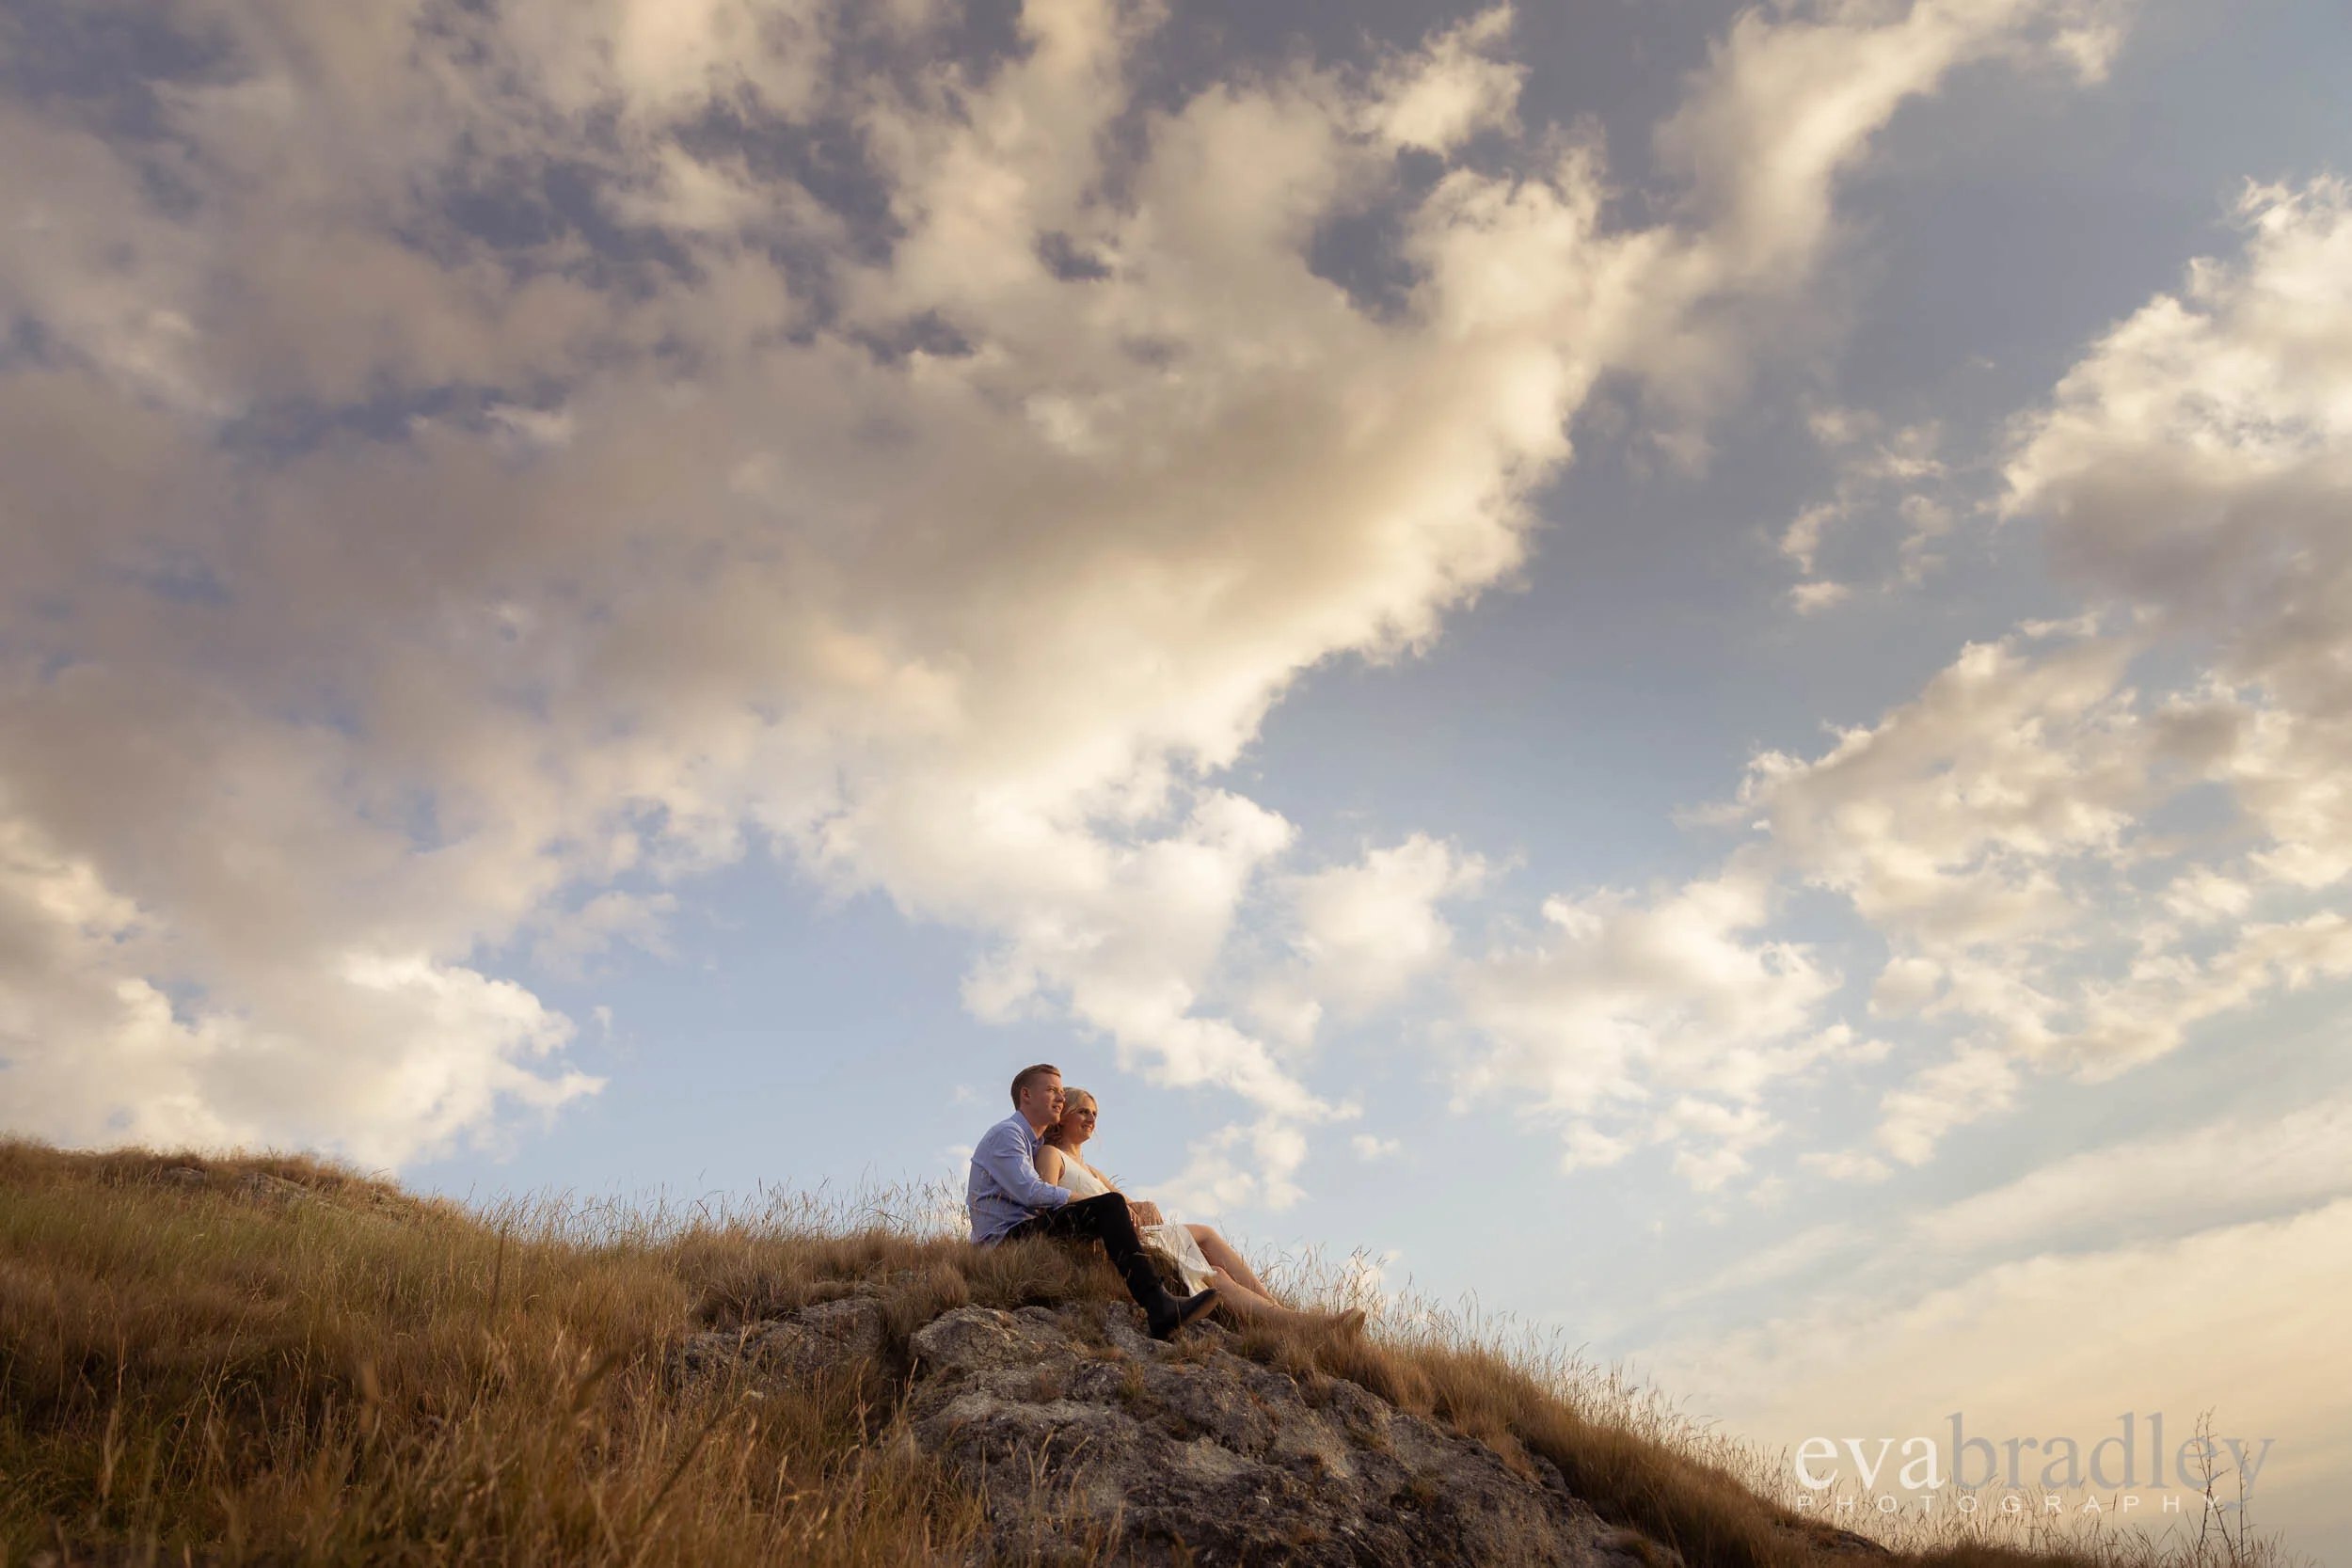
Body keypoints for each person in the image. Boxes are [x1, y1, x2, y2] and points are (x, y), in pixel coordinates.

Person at [1038, 1088, 1364, 1336]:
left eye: (1095, 1113)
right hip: (1106, 1236)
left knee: (1210, 1249)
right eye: (1083, 1111)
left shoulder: (1092, 1170)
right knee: (1213, 1269)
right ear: (1062, 1115)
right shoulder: (1052, 1154)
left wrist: (1141, 1206)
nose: (1092, 1119)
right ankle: (1304, 1324)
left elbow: (1125, 1203)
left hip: (1132, 1231)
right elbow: (1045, 1199)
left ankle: (1285, 1315)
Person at [966, 1063, 1219, 1340]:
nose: (1061, 1099)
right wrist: (1093, 1202)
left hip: (1024, 1232)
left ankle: (1159, 1299)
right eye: (1052, 1091)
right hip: (1003, 1243)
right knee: (1108, 1205)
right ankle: (1158, 1304)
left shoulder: (1034, 1144)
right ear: (1026, 1095)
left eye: (1062, 1093)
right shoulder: (1008, 1134)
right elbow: (1032, 1192)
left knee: (1110, 1207)